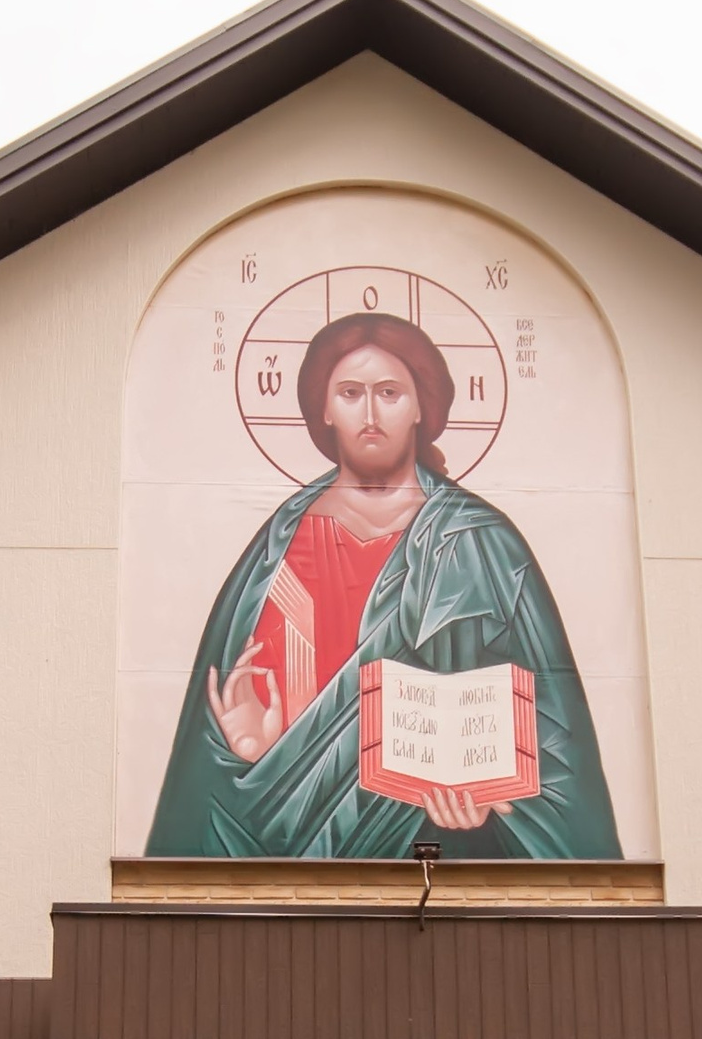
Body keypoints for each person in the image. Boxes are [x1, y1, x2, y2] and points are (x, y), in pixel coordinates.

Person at [146, 313, 621, 860]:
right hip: (278, 872)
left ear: (421, 406)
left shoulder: (482, 544)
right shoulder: (277, 543)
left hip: (431, 870)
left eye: (390, 393)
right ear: (324, 408)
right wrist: (251, 756)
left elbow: (553, 730)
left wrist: (491, 795)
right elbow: (213, 768)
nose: (370, 414)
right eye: (350, 393)